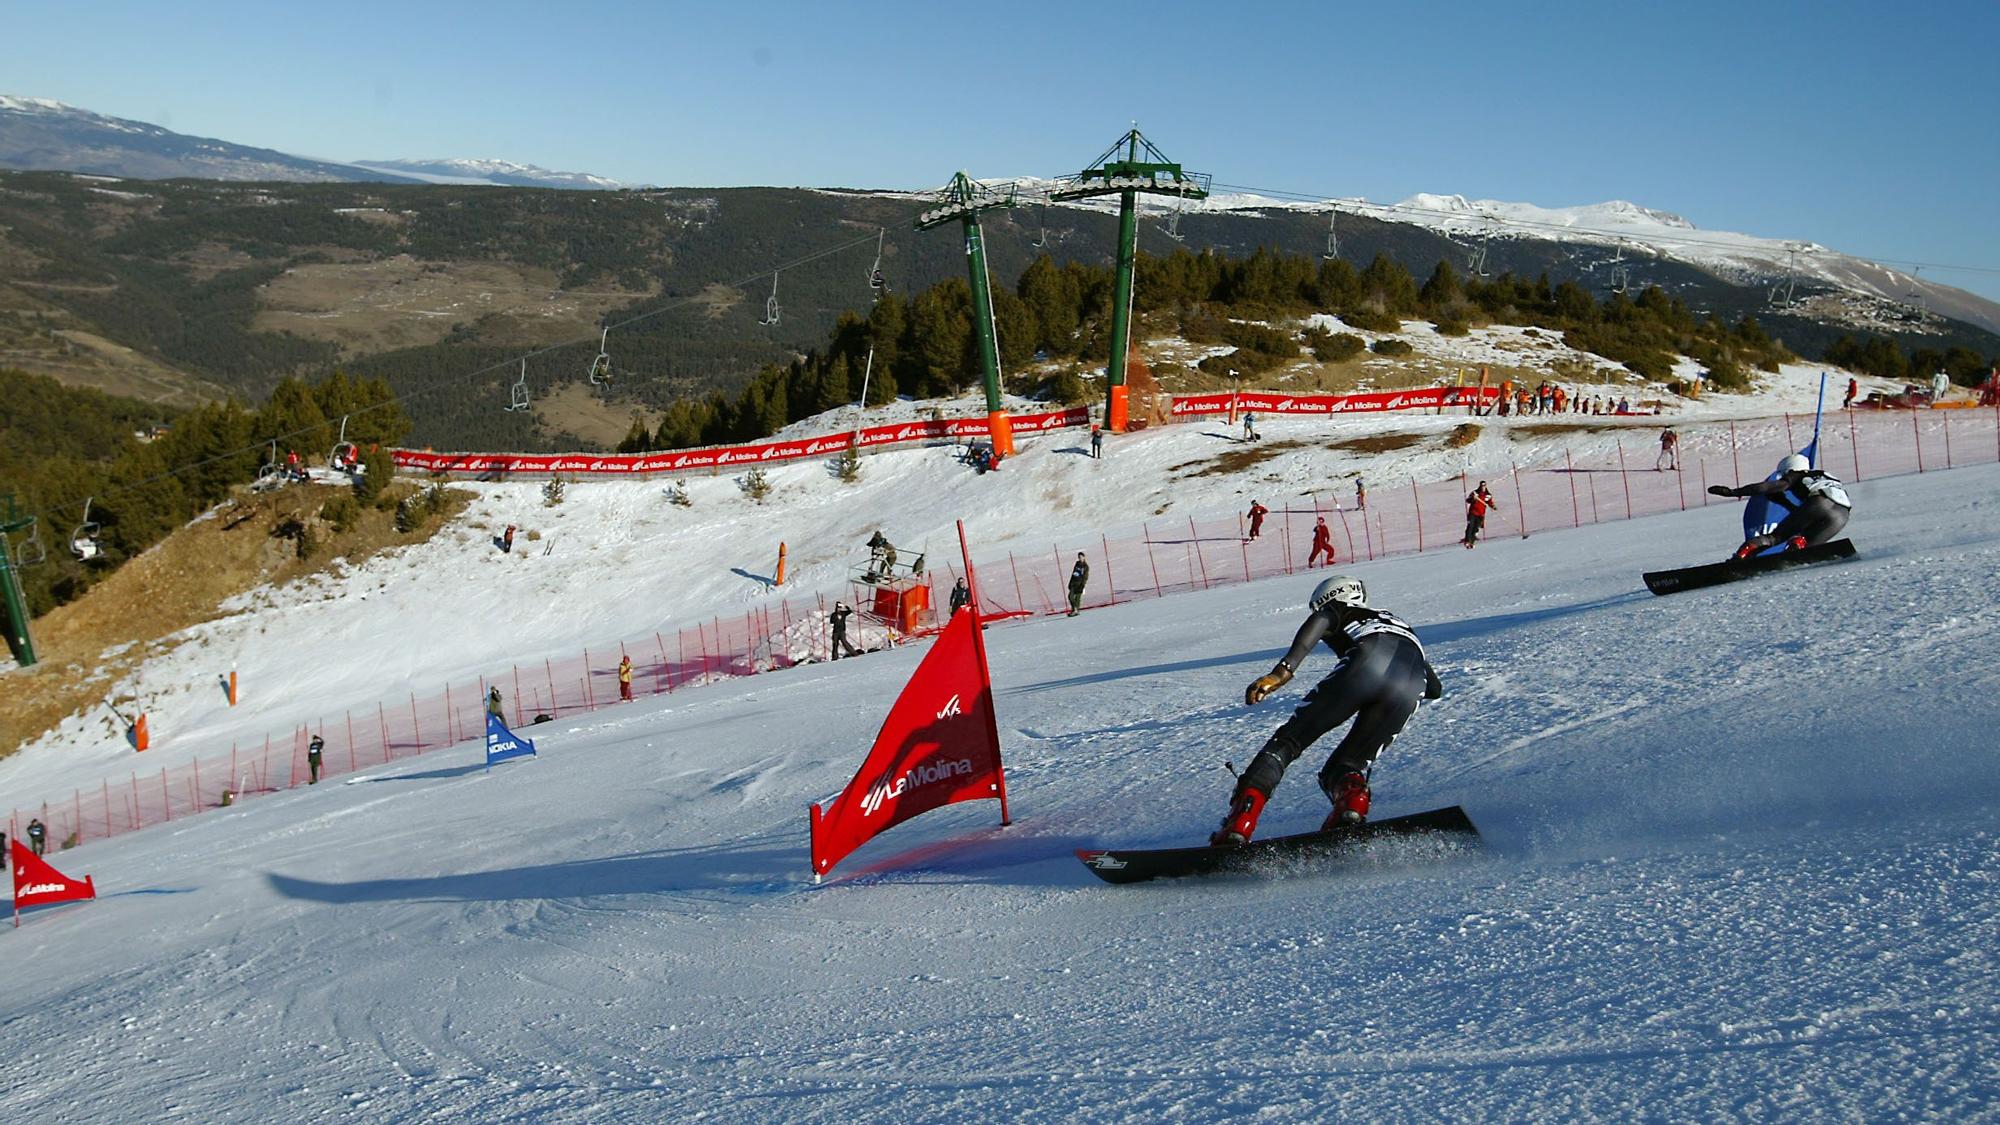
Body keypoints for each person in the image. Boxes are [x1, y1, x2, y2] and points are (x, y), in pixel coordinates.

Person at [1215, 575, 1443, 845]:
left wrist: (1282, 672)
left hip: (1368, 661)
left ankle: (1240, 822)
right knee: (1347, 765)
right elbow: (1435, 689)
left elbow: (1321, 620)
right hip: (1411, 685)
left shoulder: (1338, 609)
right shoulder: (1396, 622)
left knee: (1287, 743)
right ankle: (1351, 805)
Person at [1709, 453, 1852, 559]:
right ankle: (1797, 544)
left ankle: (1741, 556)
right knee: (1807, 548)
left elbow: (1765, 488)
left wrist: (1735, 492)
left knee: (1775, 538)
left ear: (1789, 469)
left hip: (1819, 502)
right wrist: (1783, 502)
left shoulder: (1796, 475)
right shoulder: (1825, 475)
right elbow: (1804, 512)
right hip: (1843, 513)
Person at [1463, 482, 1498, 549]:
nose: (1483, 487)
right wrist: (1473, 499)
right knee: (1470, 527)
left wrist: (1493, 506)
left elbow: (1490, 503)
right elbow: (1468, 500)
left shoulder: (1488, 495)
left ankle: (1472, 542)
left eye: (1484, 486)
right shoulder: (1475, 493)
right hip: (1473, 513)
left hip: (1481, 514)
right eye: (1482, 486)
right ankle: (1467, 541)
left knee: (1476, 529)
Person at [1066, 552, 1090, 617]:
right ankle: (1074, 609)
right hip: (1074, 583)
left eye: (1081, 557)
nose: (1080, 558)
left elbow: (1085, 577)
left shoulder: (1086, 566)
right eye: (1079, 557)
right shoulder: (1077, 564)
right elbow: (1073, 574)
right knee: (1070, 596)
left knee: (1077, 598)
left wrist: (1082, 585)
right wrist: (1070, 582)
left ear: (1084, 557)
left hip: (1080, 584)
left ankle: (1076, 611)